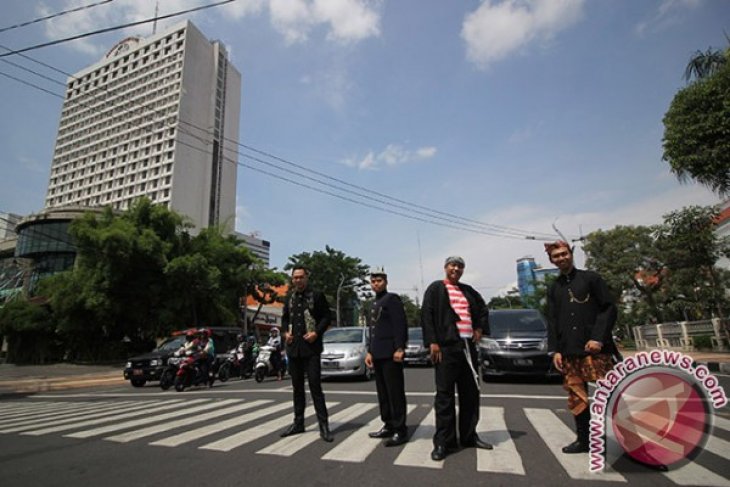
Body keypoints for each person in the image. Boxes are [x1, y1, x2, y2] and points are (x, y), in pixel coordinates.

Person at [545, 240, 618, 454]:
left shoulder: (591, 279)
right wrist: (555, 350)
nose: (561, 258)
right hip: (569, 352)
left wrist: (598, 338)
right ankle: (584, 440)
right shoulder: (554, 287)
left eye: (564, 254)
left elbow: (608, 308)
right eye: (556, 256)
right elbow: (552, 320)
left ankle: (626, 442)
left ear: (571, 254)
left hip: (596, 349)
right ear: (552, 260)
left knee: (612, 397)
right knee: (577, 398)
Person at [421, 256, 492, 461]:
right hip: (446, 348)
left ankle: (469, 436)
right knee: (445, 397)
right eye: (453, 265)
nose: (456, 269)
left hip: (468, 348)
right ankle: (444, 442)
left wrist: (479, 328)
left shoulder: (468, 290)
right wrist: (432, 342)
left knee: (470, 394)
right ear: (445, 268)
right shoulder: (436, 289)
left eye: (460, 266)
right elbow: (427, 314)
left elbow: (482, 309)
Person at [280, 265, 334, 442]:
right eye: (295, 277)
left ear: (307, 278)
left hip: (311, 349)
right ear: (292, 279)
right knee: (297, 389)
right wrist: (285, 333)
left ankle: (324, 426)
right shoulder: (290, 297)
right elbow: (285, 318)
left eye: (301, 277)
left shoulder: (316, 296)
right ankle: (298, 423)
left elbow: (327, 317)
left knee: (315, 387)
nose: (298, 280)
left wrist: (316, 333)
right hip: (293, 349)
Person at [364, 267, 409, 447]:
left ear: (386, 282)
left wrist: (399, 347)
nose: (376, 284)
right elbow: (373, 331)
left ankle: (401, 429)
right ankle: (388, 424)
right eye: (373, 281)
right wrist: (369, 351)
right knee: (383, 393)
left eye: (379, 281)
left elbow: (400, 325)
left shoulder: (392, 299)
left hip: (391, 354)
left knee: (395, 393)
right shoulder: (374, 303)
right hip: (378, 353)